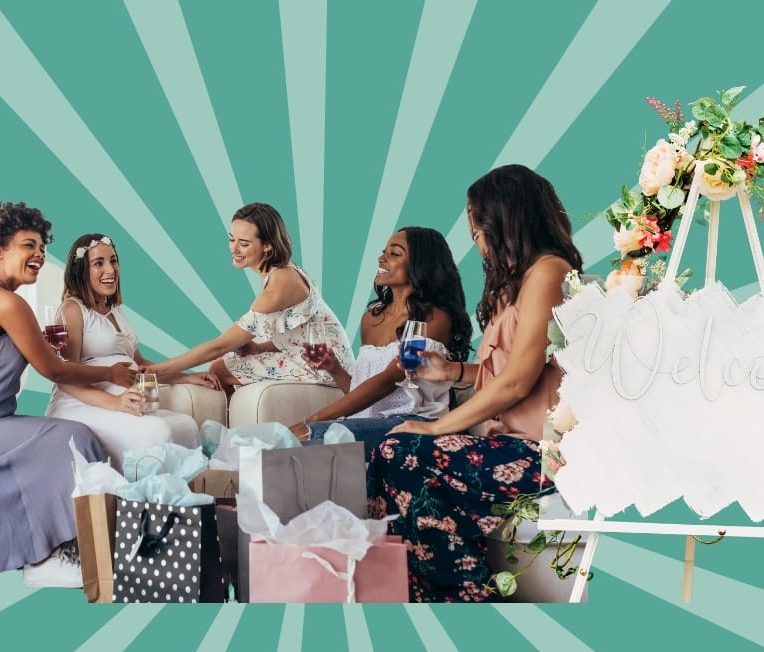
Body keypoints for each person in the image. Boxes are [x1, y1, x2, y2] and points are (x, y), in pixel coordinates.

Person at [371, 165, 584, 602]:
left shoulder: (549, 272)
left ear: (506, 218)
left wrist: (434, 427)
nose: (474, 236)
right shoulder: (519, 283)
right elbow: (508, 369)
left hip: (538, 455)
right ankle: (423, 592)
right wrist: (452, 372)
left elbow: (518, 382)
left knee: (401, 451)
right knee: (387, 452)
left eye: (477, 222)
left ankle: (461, 595)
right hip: (505, 443)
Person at [0, 202, 136, 588]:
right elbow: (53, 369)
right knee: (73, 436)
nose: (38, 255)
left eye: (41, 247)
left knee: (62, 435)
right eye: (27, 246)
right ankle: (58, 553)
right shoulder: (5, 302)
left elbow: (44, 357)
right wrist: (111, 372)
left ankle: (65, 547)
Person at [287, 227, 473, 450]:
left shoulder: (435, 318)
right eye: (384, 251)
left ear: (420, 264)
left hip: (416, 423)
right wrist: (335, 368)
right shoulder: (371, 318)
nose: (381, 258)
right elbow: (363, 392)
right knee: (295, 437)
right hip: (371, 423)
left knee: (310, 434)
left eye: (394, 254)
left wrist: (315, 419)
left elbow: (387, 382)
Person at [144, 202, 352, 399]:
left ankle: (230, 433)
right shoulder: (284, 271)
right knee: (226, 363)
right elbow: (302, 332)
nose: (233, 249)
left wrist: (157, 370)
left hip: (325, 365)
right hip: (319, 355)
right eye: (231, 239)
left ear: (268, 246)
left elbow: (220, 346)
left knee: (219, 368)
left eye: (243, 243)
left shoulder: (277, 288)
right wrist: (260, 348)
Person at [44, 233, 217, 465]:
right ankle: (151, 497)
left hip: (123, 404)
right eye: (98, 263)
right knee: (157, 432)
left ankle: (185, 499)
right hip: (81, 405)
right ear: (81, 270)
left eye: (113, 261)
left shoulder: (116, 311)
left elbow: (142, 367)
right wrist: (116, 403)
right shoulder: (73, 309)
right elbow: (65, 378)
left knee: (186, 426)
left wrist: (186, 378)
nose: (110, 269)